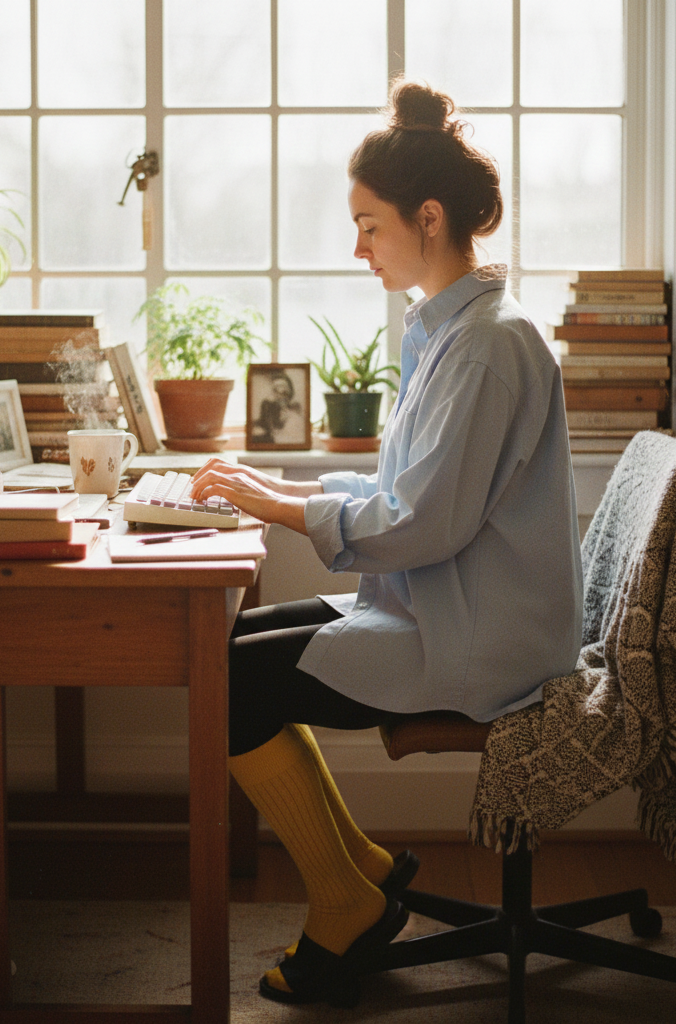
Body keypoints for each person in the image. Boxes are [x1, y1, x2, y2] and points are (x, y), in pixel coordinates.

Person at [189, 78, 583, 1006]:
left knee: (233, 680)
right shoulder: (448, 331)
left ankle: (346, 901)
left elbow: (420, 523)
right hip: (445, 609)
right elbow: (404, 491)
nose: (358, 248)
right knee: (231, 649)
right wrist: (281, 493)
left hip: (482, 640)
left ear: (429, 218)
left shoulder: (485, 347)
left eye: (370, 226)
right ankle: (360, 865)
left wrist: (281, 509)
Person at [251, 369, 305, 445]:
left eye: (283, 389)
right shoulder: (268, 409)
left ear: (290, 391)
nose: (280, 392)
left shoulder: (295, 417)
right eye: (275, 389)